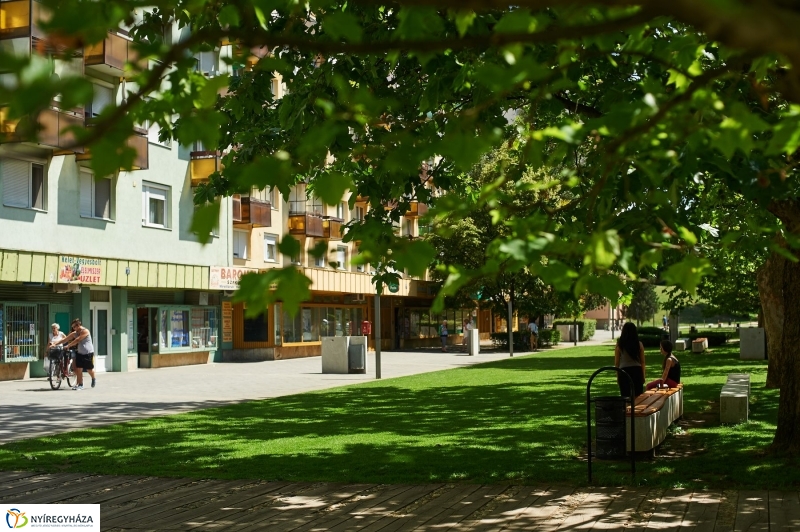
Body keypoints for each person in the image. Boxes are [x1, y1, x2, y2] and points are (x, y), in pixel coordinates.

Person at [55, 318, 97, 390]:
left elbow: (78, 340)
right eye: (73, 327)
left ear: (78, 325)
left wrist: (68, 346)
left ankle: (93, 378)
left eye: (74, 327)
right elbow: (65, 339)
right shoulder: (75, 333)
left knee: (89, 369)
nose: (73, 328)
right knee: (79, 369)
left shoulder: (85, 331)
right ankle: (80, 384)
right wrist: (54, 344)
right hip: (80, 353)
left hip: (88, 353)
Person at [614, 322, 646, 399]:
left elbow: (617, 363)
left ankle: (626, 410)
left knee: (625, 397)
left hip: (623, 371)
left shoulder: (619, 345)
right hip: (636, 370)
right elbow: (642, 361)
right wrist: (643, 375)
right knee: (638, 396)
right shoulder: (639, 344)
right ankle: (637, 410)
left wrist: (618, 376)